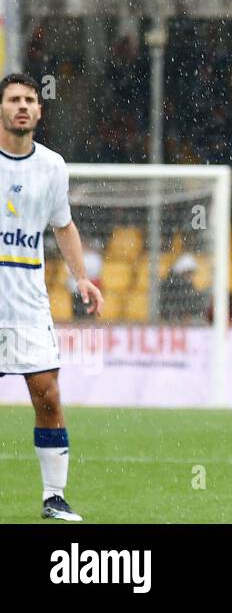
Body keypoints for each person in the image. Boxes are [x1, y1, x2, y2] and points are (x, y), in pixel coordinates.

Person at [0, 72, 103, 522]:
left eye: (29, 100)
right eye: (13, 100)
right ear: (1, 110)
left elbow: (63, 225)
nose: (22, 106)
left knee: (47, 396)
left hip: (26, 303)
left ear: (39, 111)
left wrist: (82, 277)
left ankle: (54, 497)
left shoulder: (53, 166)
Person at [159, 253, 205, 321]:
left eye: (192, 273)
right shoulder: (171, 287)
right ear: (182, 272)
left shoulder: (190, 288)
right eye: (188, 272)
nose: (191, 276)